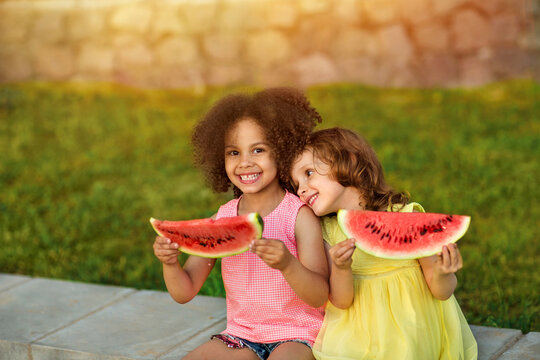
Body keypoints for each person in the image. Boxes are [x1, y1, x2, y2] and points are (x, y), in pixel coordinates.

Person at [153, 88, 329, 360]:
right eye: (233, 153)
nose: (245, 163)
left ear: (282, 152)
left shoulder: (299, 215)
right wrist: (170, 263)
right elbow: (184, 291)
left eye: (258, 150)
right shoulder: (223, 218)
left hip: (297, 334)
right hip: (240, 336)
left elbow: (318, 295)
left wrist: (287, 264)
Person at [290, 127, 478, 360]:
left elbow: (441, 292)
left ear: (348, 160)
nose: (301, 189)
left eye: (308, 173)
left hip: (413, 325)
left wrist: (442, 272)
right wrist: (341, 267)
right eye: (296, 183)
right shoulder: (328, 232)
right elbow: (341, 300)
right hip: (356, 330)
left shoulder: (405, 216)